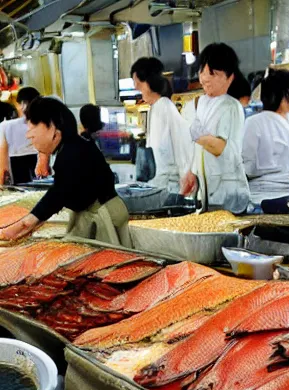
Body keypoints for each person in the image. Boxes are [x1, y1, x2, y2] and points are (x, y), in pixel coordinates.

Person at [0, 97, 131, 247]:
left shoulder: (73, 153)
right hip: (94, 212)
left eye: (33, 128)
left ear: (53, 129)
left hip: (103, 215)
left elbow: (57, 195)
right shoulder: (73, 147)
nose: (29, 135)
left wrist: (21, 226)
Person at [180, 43, 250, 214]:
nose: (205, 78)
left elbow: (222, 149)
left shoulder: (231, 106)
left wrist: (194, 132)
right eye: (202, 71)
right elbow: (197, 149)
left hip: (228, 197)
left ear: (230, 77)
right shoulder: (198, 104)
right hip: (206, 196)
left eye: (213, 73)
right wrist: (191, 172)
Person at [131, 57, 193, 197]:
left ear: (148, 82)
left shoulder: (165, 107)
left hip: (170, 189)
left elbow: (180, 144)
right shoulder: (155, 108)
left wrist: (185, 179)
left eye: (137, 82)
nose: (135, 87)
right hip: (158, 188)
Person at [242, 69, 289, 213]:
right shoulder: (254, 122)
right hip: (263, 201)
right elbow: (246, 167)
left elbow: (246, 168)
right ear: (284, 95)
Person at [0, 87, 50, 185]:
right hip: (40, 170)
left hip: (16, 170)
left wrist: (3, 182)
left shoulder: (5, 126)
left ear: (23, 104)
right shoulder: (46, 123)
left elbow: (3, 161)